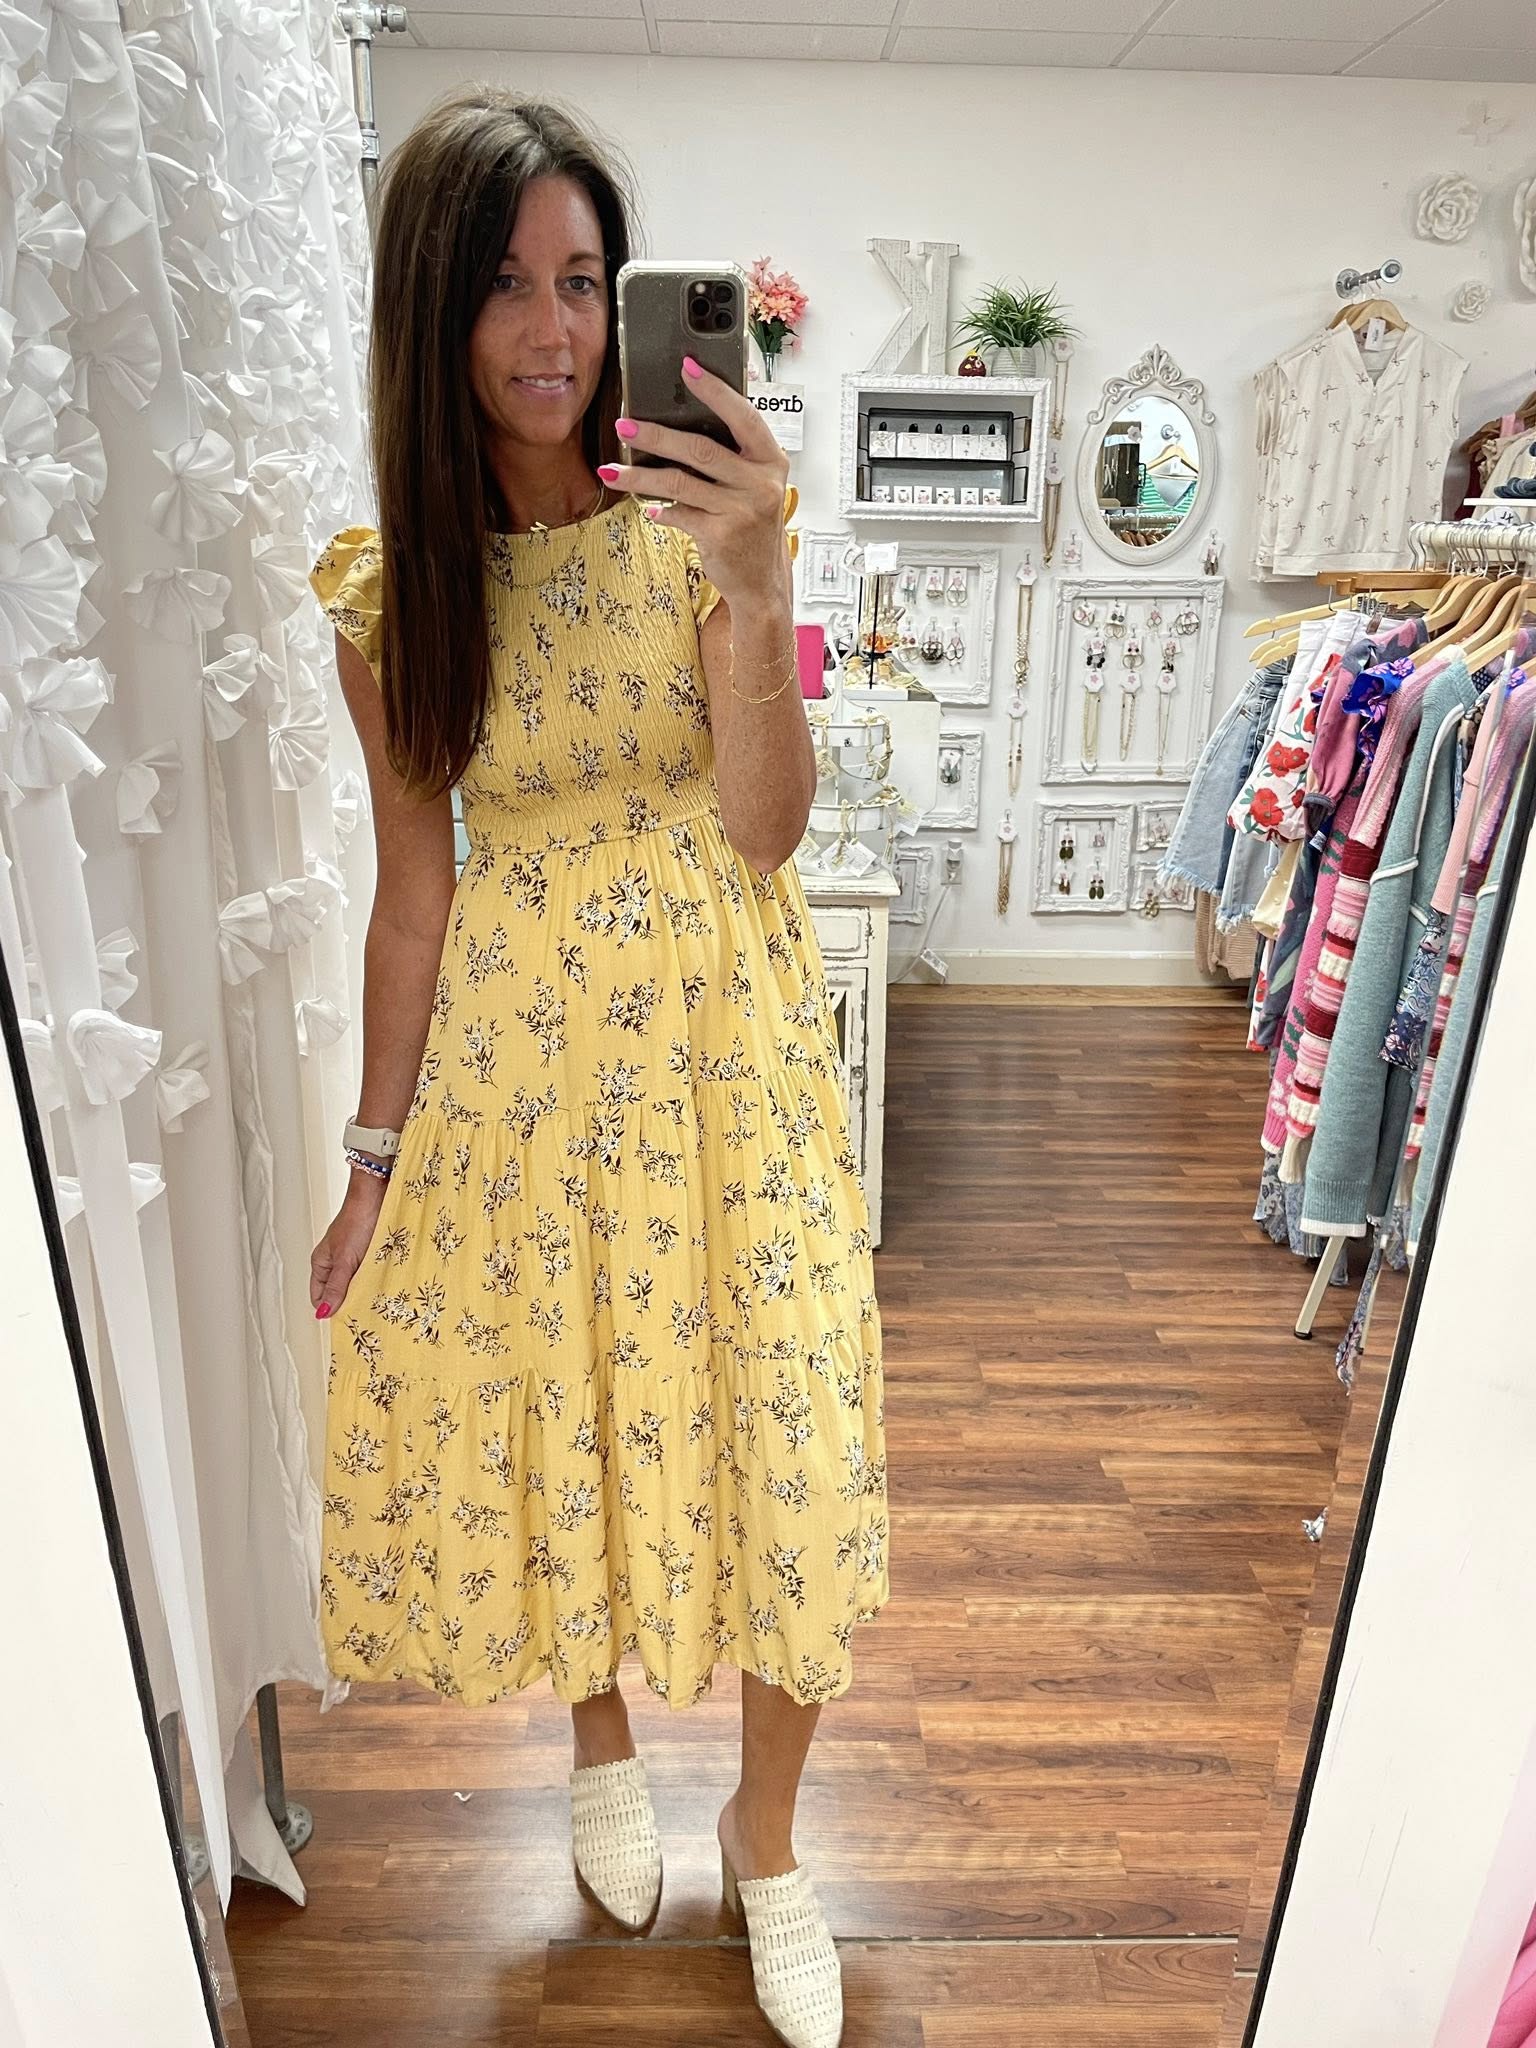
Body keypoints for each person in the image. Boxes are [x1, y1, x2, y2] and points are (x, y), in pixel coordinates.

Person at [305, 87, 889, 2048]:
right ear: (429, 316)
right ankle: (601, 1734)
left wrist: (750, 581)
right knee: (572, 1414)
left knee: (785, 1433)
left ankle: (775, 1838)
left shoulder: (706, 524)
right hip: (527, 1085)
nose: (553, 331)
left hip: (729, 1062)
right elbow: (413, 899)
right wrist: (374, 1157)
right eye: (503, 287)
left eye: (583, 280)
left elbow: (763, 824)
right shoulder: (395, 595)